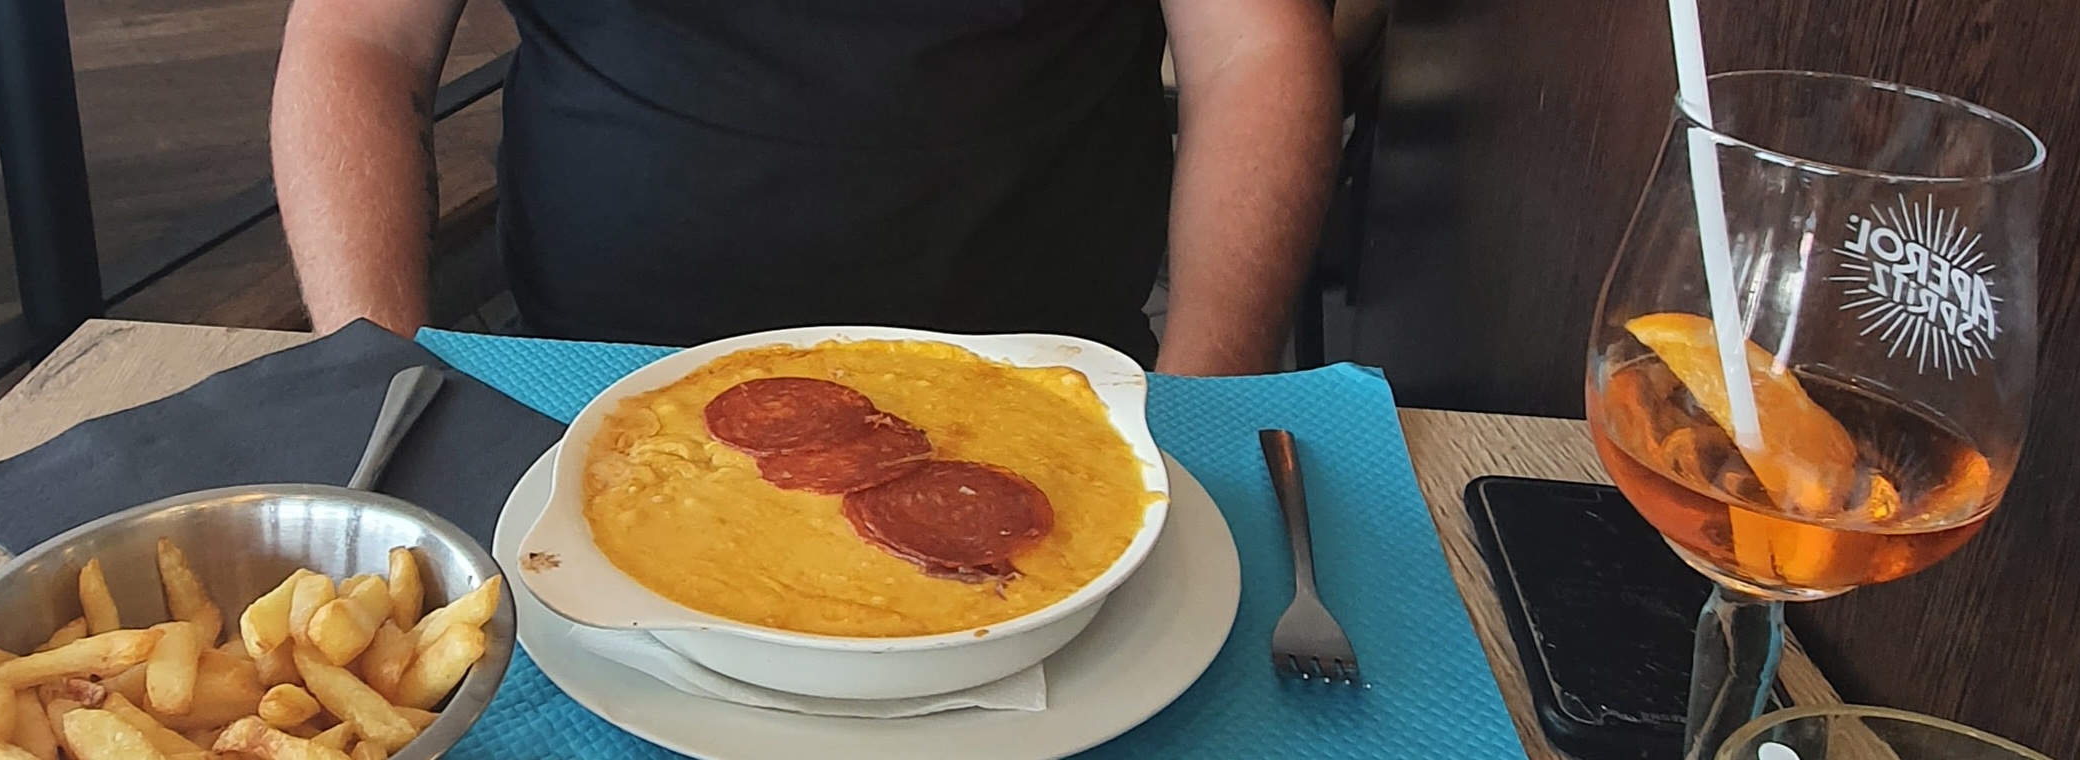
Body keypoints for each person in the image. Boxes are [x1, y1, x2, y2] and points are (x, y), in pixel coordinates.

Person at [271, 0, 1340, 374]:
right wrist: (367, 366)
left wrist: (1210, 394)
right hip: (580, 385)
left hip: (1048, 388)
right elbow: (360, 37)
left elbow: (1250, 49)